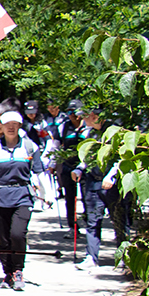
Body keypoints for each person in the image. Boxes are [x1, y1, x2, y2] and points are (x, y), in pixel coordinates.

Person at [0, 110, 48, 290]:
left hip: (23, 195)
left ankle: (18, 270)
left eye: (15, 124)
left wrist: (47, 194)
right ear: (1, 127)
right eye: (7, 124)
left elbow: (39, 171)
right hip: (0, 196)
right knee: (3, 239)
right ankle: (8, 272)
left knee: (17, 234)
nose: (11, 128)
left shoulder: (29, 147)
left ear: (19, 126)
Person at [73, 110, 109, 269]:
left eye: (85, 116)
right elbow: (87, 158)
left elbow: (121, 158)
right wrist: (79, 169)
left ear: (95, 116)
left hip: (111, 185)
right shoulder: (91, 135)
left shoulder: (113, 132)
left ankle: (124, 256)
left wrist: (111, 177)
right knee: (92, 221)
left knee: (120, 220)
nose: (82, 119)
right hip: (93, 184)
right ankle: (91, 257)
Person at [56, 100, 87, 234]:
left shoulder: (88, 127)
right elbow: (56, 146)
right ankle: (72, 226)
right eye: (69, 112)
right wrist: (52, 164)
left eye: (75, 112)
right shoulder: (63, 127)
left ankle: (88, 223)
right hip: (68, 166)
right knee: (70, 198)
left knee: (87, 197)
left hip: (85, 167)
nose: (73, 115)